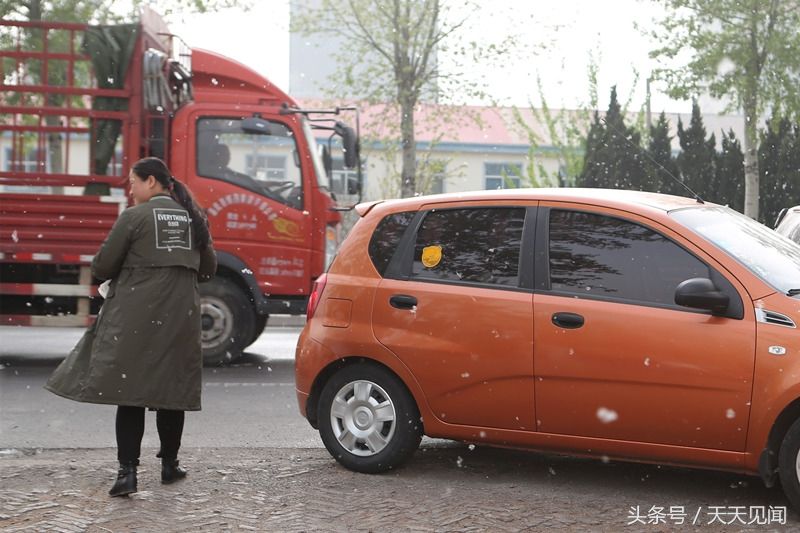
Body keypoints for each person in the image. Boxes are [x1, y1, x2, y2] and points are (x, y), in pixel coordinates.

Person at [45, 157, 217, 497]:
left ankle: (128, 474)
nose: (130, 188)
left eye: (133, 182)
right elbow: (208, 268)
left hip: (137, 316)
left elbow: (102, 265)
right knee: (172, 392)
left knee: (131, 393)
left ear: (151, 182)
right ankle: (170, 465)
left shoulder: (134, 217)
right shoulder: (194, 218)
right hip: (179, 318)